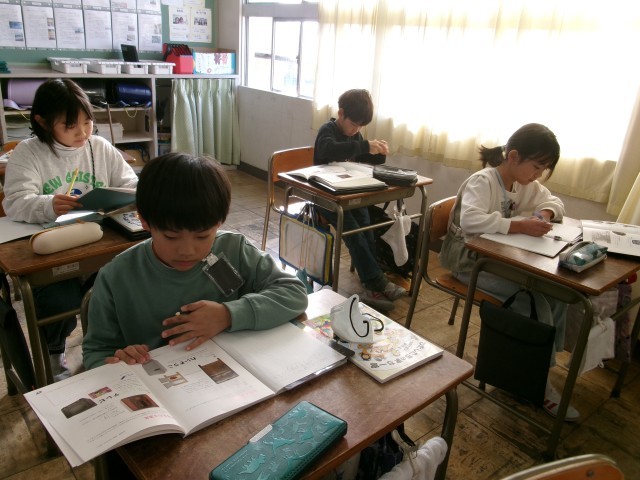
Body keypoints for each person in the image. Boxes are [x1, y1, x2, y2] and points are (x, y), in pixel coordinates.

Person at [82, 153, 309, 369]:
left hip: (231, 374)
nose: (187, 251)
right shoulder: (116, 276)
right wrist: (117, 361)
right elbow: (96, 352)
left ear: (220, 222)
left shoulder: (233, 250)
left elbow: (294, 292)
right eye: (171, 237)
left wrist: (228, 315)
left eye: (202, 236)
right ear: (144, 221)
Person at [439, 122, 579, 421]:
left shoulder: (523, 183)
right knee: (533, 300)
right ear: (513, 156)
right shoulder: (484, 181)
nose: (538, 175)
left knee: (557, 294)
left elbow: (554, 201)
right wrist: (520, 225)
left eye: (544, 169)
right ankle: (537, 383)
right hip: (467, 261)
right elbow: (471, 221)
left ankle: (537, 365)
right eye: (537, 167)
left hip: (494, 259)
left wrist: (544, 213)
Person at [2, 78, 138, 381]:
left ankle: (104, 345)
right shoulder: (28, 153)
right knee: (58, 303)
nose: (83, 133)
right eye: (70, 125)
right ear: (43, 122)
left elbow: (130, 184)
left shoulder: (99, 147)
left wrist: (128, 195)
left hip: (98, 241)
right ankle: (54, 355)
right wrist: (48, 204)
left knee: (119, 285)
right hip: (54, 246)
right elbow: (14, 203)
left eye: (88, 122)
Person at [314, 88, 405, 312]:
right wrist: (364, 145)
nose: (356, 130)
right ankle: (375, 283)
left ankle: (373, 280)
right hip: (326, 198)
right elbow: (330, 150)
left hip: (351, 194)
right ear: (341, 113)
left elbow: (362, 157)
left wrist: (378, 153)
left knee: (366, 228)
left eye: (361, 126)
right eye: (354, 124)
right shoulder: (327, 131)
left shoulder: (355, 135)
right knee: (354, 232)